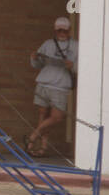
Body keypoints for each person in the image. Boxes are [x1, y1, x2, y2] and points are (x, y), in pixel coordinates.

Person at [25, 16, 77, 156]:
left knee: (56, 117)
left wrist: (73, 66)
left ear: (69, 31)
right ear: (55, 30)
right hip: (43, 83)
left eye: (64, 31)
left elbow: (81, 68)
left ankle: (32, 136)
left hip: (60, 86)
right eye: (59, 30)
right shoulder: (48, 44)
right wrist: (34, 58)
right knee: (43, 116)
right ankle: (40, 147)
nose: (62, 33)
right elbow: (38, 64)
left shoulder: (75, 46)